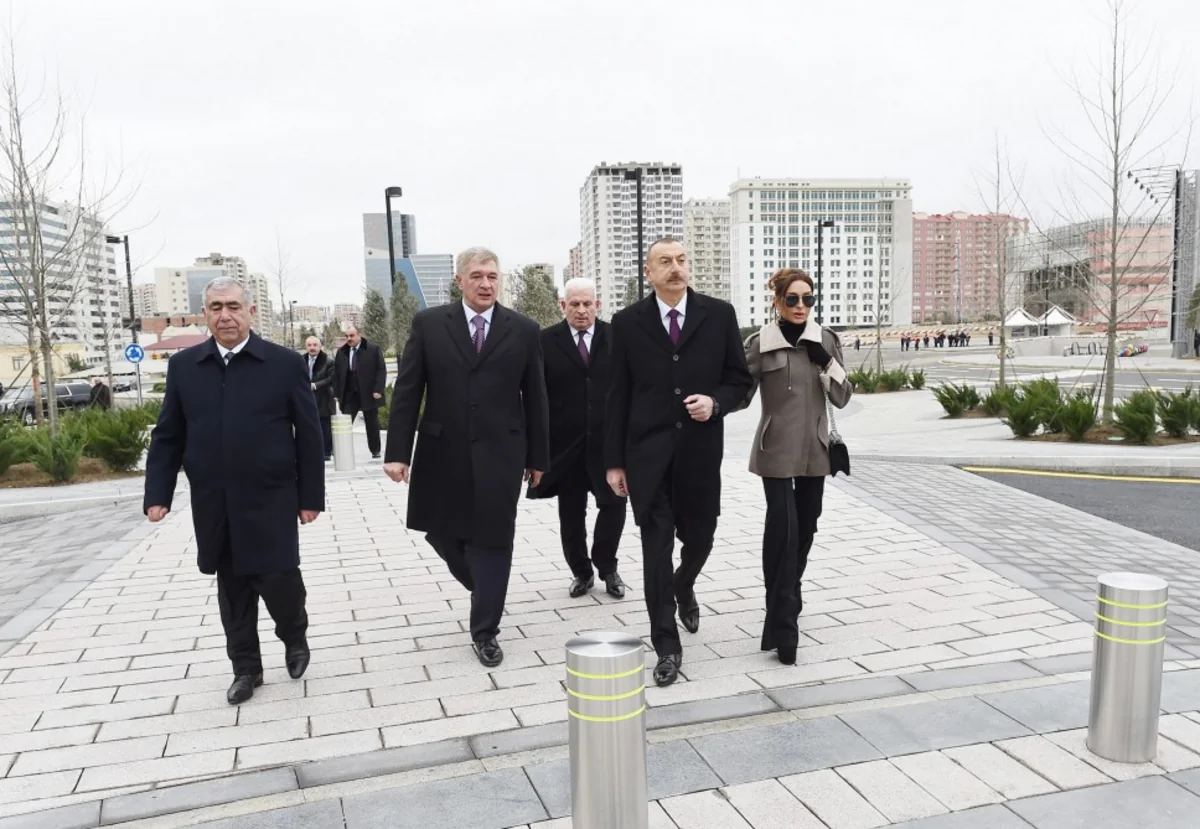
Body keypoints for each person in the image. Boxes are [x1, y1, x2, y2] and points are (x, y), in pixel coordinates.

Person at [143, 277, 324, 705]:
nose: (225, 315)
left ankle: (294, 634)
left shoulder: (284, 364)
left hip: (271, 496)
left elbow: (309, 435)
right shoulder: (185, 366)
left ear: (250, 312)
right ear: (205, 314)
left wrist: (310, 498)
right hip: (215, 500)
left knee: (278, 578)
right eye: (216, 307)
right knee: (233, 586)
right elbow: (168, 435)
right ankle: (246, 668)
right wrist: (158, 493)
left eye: (234, 306)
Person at [384, 247, 549, 668]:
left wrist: (539, 458)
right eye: (476, 276)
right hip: (442, 450)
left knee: (494, 538)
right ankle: (486, 586)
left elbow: (536, 398)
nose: (486, 284)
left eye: (492, 276)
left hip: (502, 453)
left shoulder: (523, 330)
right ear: (460, 281)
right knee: (441, 531)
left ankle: (486, 629)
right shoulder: (429, 324)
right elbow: (408, 391)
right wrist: (397, 452)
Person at [605, 237, 752, 687]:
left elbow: (740, 382)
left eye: (682, 260)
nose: (676, 268)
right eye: (665, 261)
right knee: (655, 553)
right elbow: (616, 395)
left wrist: (716, 403)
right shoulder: (627, 323)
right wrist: (614, 463)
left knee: (701, 538)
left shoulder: (719, 314)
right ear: (648, 272)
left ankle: (684, 583)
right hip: (646, 457)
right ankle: (666, 645)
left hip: (699, 455)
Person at [739, 269, 852, 665]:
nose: (801, 306)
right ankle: (785, 627)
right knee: (783, 531)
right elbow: (740, 394)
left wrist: (825, 361)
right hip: (774, 451)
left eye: (808, 299)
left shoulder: (827, 340)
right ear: (778, 302)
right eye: (792, 299)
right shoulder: (760, 344)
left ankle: (783, 598)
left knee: (805, 529)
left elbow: (843, 397)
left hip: (815, 452)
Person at [528, 277, 627, 599]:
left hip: (609, 445)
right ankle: (581, 573)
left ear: (598, 305)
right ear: (563, 305)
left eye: (587, 304)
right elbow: (534, 395)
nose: (581, 310)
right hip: (565, 446)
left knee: (614, 505)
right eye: (574, 304)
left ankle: (607, 565)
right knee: (571, 515)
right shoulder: (544, 341)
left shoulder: (618, 337)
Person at [333, 325, 386, 459]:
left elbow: (381, 370)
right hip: (350, 394)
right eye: (347, 336)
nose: (349, 339)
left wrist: (378, 389)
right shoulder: (342, 352)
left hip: (368, 392)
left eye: (352, 335)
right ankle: (341, 450)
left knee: (371, 423)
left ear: (359, 335)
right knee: (345, 422)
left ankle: (375, 450)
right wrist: (336, 393)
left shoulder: (372, 349)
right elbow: (336, 374)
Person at [305, 336, 335, 461]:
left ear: (320, 346)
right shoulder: (301, 360)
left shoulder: (328, 361)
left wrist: (315, 385)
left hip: (324, 398)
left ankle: (327, 452)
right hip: (307, 398)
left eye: (315, 345)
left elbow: (331, 378)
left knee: (324, 426)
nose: (312, 348)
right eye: (309, 345)